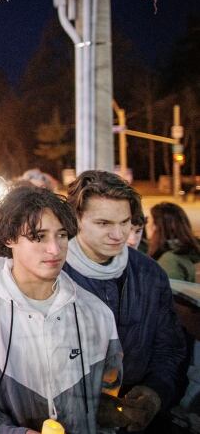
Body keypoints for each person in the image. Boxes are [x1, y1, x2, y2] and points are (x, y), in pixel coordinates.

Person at [0, 185, 123, 433]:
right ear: (10, 238)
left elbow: (109, 394)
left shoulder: (95, 312)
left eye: (62, 235)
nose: (54, 249)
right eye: (39, 236)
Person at [64, 170, 185, 432]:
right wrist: (83, 405)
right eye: (104, 223)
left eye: (125, 222)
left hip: (134, 417)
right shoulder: (53, 273)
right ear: (77, 219)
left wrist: (155, 393)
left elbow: (169, 346)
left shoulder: (150, 274)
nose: (118, 234)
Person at [147, 202, 200, 282]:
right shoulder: (191, 251)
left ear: (157, 227)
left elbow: (169, 293)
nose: (147, 226)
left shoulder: (169, 260)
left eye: (150, 222)